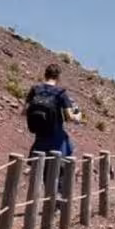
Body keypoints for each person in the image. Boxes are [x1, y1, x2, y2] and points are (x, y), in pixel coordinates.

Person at [24, 63, 81, 194]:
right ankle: (56, 206)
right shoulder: (61, 93)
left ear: (45, 74)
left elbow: (24, 111)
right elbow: (70, 117)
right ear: (58, 77)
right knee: (60, 173)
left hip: (40, 139)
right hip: (57, 140)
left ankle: (40, 203)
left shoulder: (35, 89)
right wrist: (78, 116)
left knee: (43, 173)